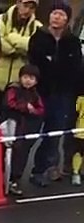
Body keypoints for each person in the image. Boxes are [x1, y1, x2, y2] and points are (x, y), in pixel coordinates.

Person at [28, 2, 82, 186]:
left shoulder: (72, 41)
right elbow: (34, 63)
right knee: (29, 133)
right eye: (54, 13)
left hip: (62, 95)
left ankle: (41, 170)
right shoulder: (38, 37)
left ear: (67, 19)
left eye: (61, 14)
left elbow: (75, 68)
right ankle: (14, 174)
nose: (56, 17)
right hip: (40, 92)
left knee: (53, 134)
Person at [3, 64, 45, 195]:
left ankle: (14, 180)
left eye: (32, 78)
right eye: (25, 77)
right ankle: (3, 178)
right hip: (11, 126)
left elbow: (40, 110)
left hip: (26, 129)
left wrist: (33, 111)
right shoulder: (13, 90)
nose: (28, 80)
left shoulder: (35, 95)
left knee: (21, 155)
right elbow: (9, 104)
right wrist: (26, 107)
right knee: (6, 152)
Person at [0, 0, 41, 94]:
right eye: (25, 5)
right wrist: (20, 48)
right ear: (18, 3)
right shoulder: (0, 20)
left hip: (19, 84)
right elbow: (0, 44)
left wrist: (11, 37)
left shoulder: (37, 27)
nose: (27, 10)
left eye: (31, 8)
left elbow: (32, 47)